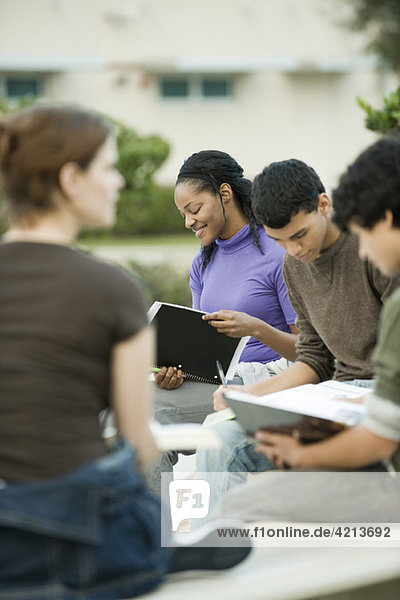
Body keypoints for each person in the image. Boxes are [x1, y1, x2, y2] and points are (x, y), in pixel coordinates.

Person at [0, 104, 250, 600]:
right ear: (71, 179)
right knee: (231, 543)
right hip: (89, 528)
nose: (118, 183)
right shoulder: (112, 289)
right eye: (109, 168)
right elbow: (139, 445)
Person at [213, 136, 400, 524]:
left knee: (256, 501)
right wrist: (249, 397)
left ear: (323, 205)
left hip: (373, 395)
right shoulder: (292, 268)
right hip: (335, 393)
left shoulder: (375, 250)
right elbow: (314, 356)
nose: (294, 250)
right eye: (279, 241)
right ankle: (197, 546)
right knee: (220, 439)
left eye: (299, 235)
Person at [151, 150, 298, 493]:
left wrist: (256, 329)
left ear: (225, 194)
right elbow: (197, 341)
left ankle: (159, 539)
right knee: (125, 406)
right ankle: (154, 533)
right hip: (212, 381)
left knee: (142, 416)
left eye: (194, 209)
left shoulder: (278, 255)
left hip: (265, 383)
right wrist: (174, 371)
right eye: (183, 214)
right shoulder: (203, 263)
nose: (188, 221)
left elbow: (309, 352)